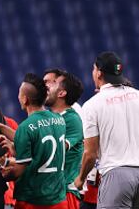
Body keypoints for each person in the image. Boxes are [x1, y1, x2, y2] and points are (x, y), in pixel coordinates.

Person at [74, 52, 139, 209]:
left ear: (99, 73)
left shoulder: (92, 105)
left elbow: (90, 154)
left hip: (117, 173)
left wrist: (80, 179)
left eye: (93, 69)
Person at [0, 74, 68, 209]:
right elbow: (41, 150)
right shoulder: (60, 120)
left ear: (25, 99)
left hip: (33, 200)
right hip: (58, 200)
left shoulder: (26, 127)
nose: (18, 97)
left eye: (19, 94)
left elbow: (18, 171)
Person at [45, 72, 85, 209]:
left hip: (64, 192)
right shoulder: (47, 117)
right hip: (46, 191)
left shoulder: (72, 119)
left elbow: (52, 148)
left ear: (61, 93)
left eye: (53, 83)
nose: (47, 86)